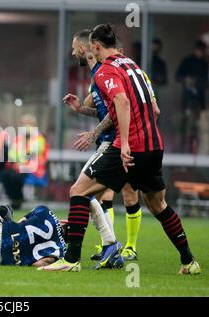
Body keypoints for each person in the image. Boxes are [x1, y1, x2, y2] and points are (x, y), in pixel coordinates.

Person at [42, 24, 200, 274]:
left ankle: (71, 261)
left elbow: (122, 101)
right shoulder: (133, 66)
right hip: (153, 145)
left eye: (77, 49)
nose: (75, 54)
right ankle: (189, 262)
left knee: (79, 191)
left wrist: (125, 142)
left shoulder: (105, 70)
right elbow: (154, 110)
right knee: (159, 205)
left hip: (128, 147)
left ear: (94, 46)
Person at [64, 30, 154, 262]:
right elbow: (107, 111)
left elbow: (121, 111)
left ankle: (113, 246)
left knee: (88, 191)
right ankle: (110, 245)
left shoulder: (109, 73)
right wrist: (80, 109)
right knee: (98, 194)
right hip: (118, 142)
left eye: (75, 48)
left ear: (87, 48)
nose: (73, 52)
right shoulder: (98, 76)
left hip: (119, 143)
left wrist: (95, 134)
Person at [1, 114, 49, 209]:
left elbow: (32, 153)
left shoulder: (39, 138)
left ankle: (17, 199)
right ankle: (14, 198)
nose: (26, 126)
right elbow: (12, 154)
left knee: (17, 177)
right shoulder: (19, 138)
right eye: (24, 124)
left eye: (29, 124)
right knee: (5, 174)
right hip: (18, 166)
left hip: (35, 169)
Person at [176, 40, 208, 153]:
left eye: (203, 51)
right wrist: (187, 79)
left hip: (200, 102)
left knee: (200, 130)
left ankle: (196, 152)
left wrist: (198, 82)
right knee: (187, 128)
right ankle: (184, 152)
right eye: (199, 50)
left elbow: (206, 82)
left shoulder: (205, 64)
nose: (201, 53)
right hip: (188, 101)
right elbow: (178, 76)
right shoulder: (187, 62)